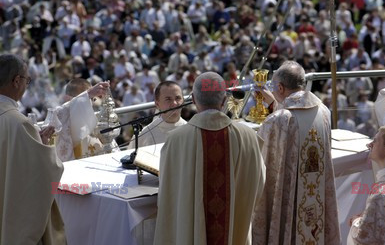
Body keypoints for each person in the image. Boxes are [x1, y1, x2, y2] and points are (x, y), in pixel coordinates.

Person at [154, 72, 265, 244]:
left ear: (193, 99)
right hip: (235, 234)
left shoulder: (176, 140)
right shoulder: (248, 137)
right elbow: (259, 185)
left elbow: (168, 195)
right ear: (224, 101)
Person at [252, 61, 340, 245]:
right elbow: (294, 119)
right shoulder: (323, 111)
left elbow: (260, 162)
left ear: (281, 87)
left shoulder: (277, 120)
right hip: (316, 203)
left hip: (290, 202)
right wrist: (274, 103)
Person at [0, 54, 65, 244]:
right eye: (27, 80)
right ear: (16, 81)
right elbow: (44, 173)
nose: (27, 84)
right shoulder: (20, 124)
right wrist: (44, 148)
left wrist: (37, 141)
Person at [55, 78, 115, 161]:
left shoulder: (94, 118)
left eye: (92, 99)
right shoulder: (59, 116)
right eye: (85, 100)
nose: (89, 103)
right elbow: (62, 110)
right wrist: (89, 94)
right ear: (68, 100)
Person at [128, 81, 187, 148]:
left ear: (183, 101)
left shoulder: (192, 131)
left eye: (178, 98)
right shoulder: (144, 135)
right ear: (157, 104)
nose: (174, 103)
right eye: (168, 99)